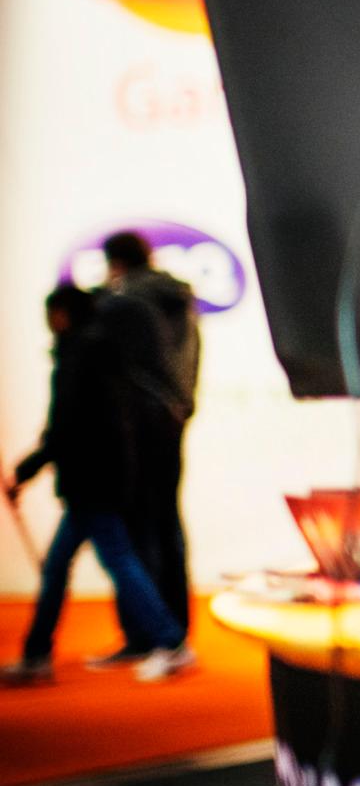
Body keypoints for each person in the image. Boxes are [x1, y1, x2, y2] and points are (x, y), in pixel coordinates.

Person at [3, 286, 193, 686]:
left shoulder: (82, 357)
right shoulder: (98, 354)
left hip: (93, 483)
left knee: (117, 563)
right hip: (97, 481)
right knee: (63, 568)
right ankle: (37, 653)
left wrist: (26, 469)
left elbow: (66, 427)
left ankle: (170, 641)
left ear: (63, 314)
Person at [94, 229, 198, 661]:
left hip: (133, 426)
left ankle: (148, 635)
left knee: (136, 527)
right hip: (171, 421)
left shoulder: (119, 304)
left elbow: (117, 369)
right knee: (167, 524)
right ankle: (175, 629)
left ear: (116, 262)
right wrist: (180, 407)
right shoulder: (180, 300)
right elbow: (187, 364)